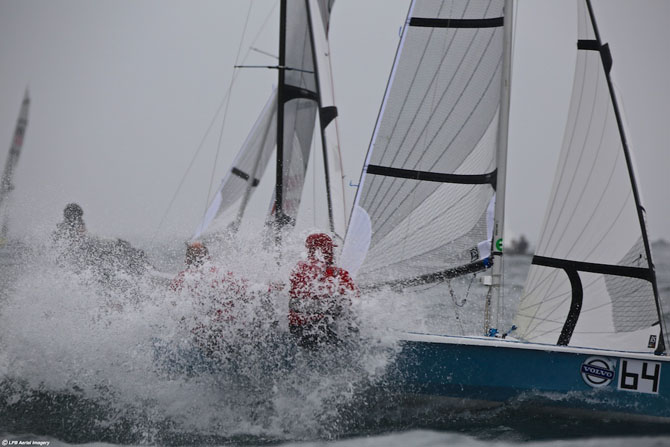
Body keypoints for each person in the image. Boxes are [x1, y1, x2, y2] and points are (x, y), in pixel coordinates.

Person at [288, 233, 359, 348]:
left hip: (296, 329)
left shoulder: (297, 270)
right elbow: (354, 301)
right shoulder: (338, 274)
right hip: (323, 329)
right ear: (328, 250)